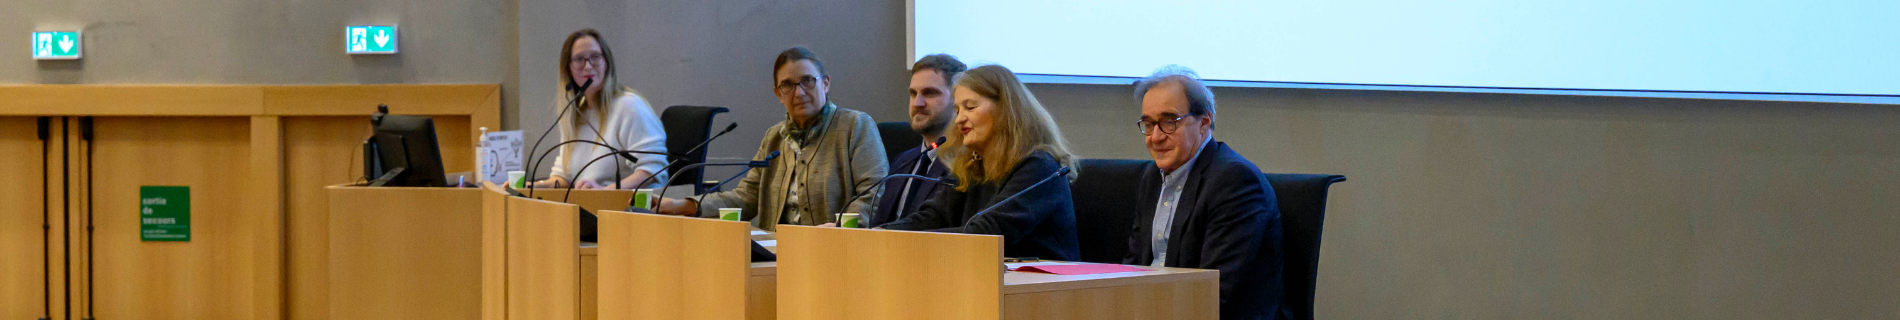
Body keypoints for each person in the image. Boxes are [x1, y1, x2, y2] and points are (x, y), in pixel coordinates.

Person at [652, 47, 889, 231]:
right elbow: (746, 198)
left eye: (807, 80)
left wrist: (841, 229)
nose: (799, 92)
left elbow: (875, 193)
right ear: (778, 93)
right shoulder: (774, 137)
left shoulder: (855, 126)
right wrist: (683, 205)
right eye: (788, 84)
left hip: (833, 250)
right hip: (775, 251)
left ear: (825, 83)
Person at [1121, 65, 1284, 320]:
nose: (1155, 137)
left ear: (1204, 121)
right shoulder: (1152, 177)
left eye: (1168, 122)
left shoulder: (1234, 181)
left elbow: (1215, 292)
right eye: (1149, 123)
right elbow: (1134, 267)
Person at [878, 64, 1081, 261]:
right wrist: (879, 235)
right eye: (957, 110)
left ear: (1005, 110)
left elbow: (987, 233)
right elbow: (933, 216)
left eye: (970, 107)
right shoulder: (972, 165)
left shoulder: (1039, 166)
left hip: (1045, 288)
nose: (959, 120)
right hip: (990, 281)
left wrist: (908, 242)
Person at [531, 28, 669, 190]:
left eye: (595, 57)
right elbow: (563, 177)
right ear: (568, 69)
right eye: (579, 59)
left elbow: (652, 170)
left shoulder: (629, 106)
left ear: (607, 63)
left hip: (628, 208)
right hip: (589, 205)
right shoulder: (575, 113)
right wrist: (534, 186)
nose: (588, 66)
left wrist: (605, 192)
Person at [867, 54, 966, 228]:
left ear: (957, 99)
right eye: (913, 93)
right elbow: (878, 226)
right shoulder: (903, 162)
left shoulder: (966, 162)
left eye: (930, 93)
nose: (917, 103)